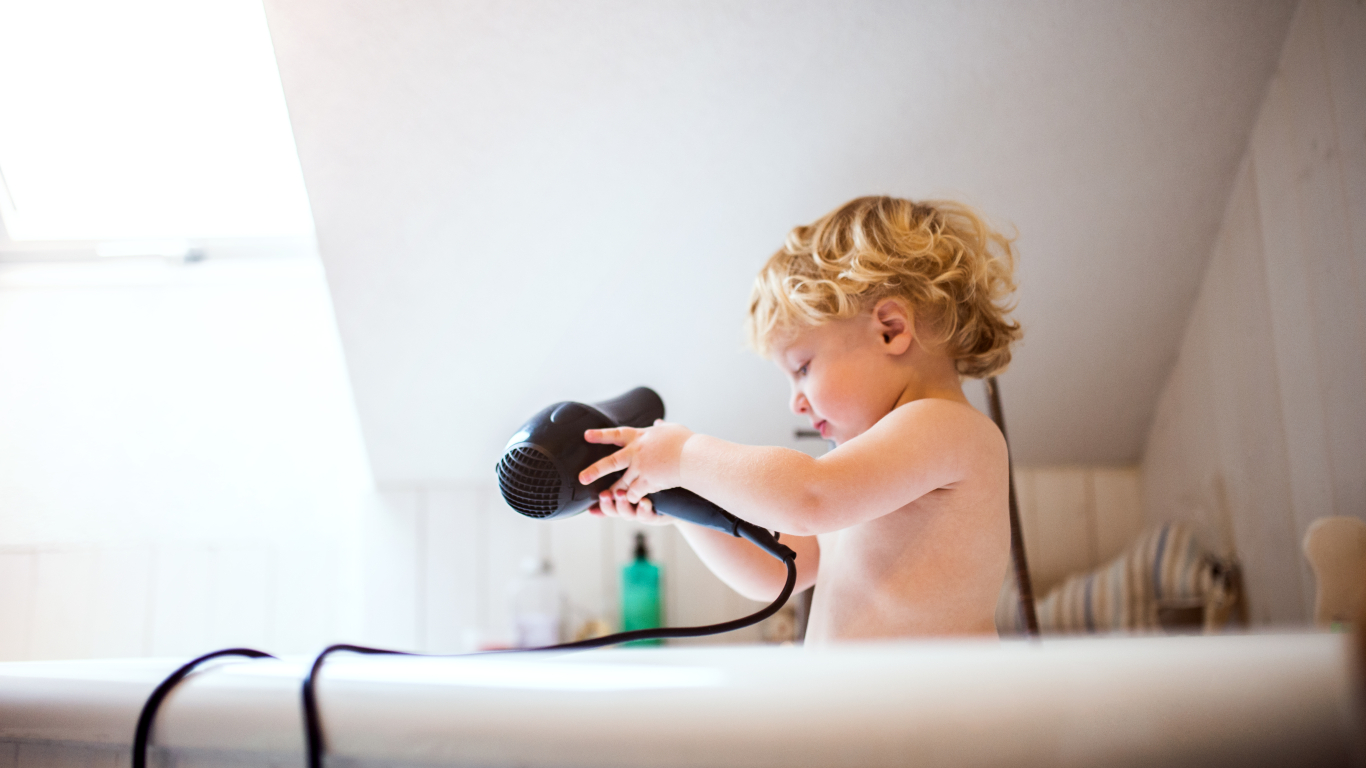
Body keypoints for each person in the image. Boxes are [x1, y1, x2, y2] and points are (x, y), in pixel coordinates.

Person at [580, 196, 1022, 642]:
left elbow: (809, 497)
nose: (795, 402)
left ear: (890, 329)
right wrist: (686, 506)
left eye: (804, 368)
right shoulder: (864, 475)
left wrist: (683, 456)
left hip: (932, 692)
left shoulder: (948, 428)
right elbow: (779, 569)